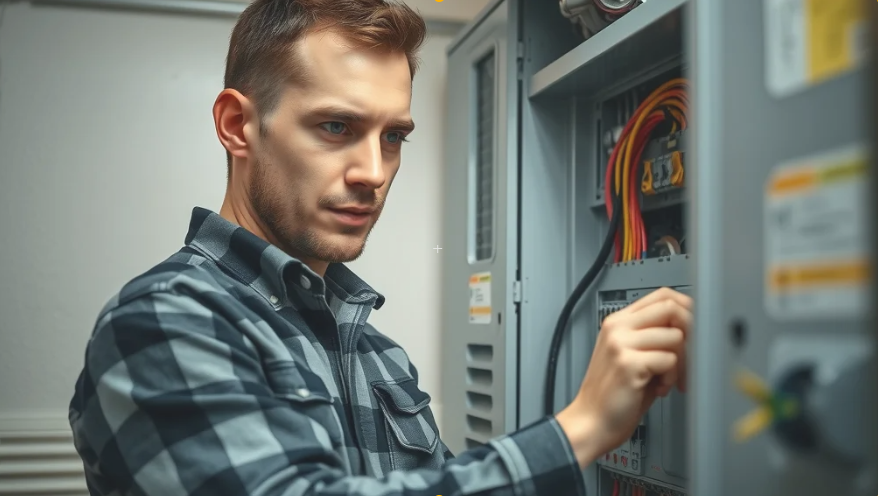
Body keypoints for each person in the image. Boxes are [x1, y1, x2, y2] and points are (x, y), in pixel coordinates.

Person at [68, 0, 693, 495]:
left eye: (393, 136)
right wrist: (579, 429)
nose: (373, 170)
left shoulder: (376, 355)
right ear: (239, 126)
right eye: (336, 127)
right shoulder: (161, 325)